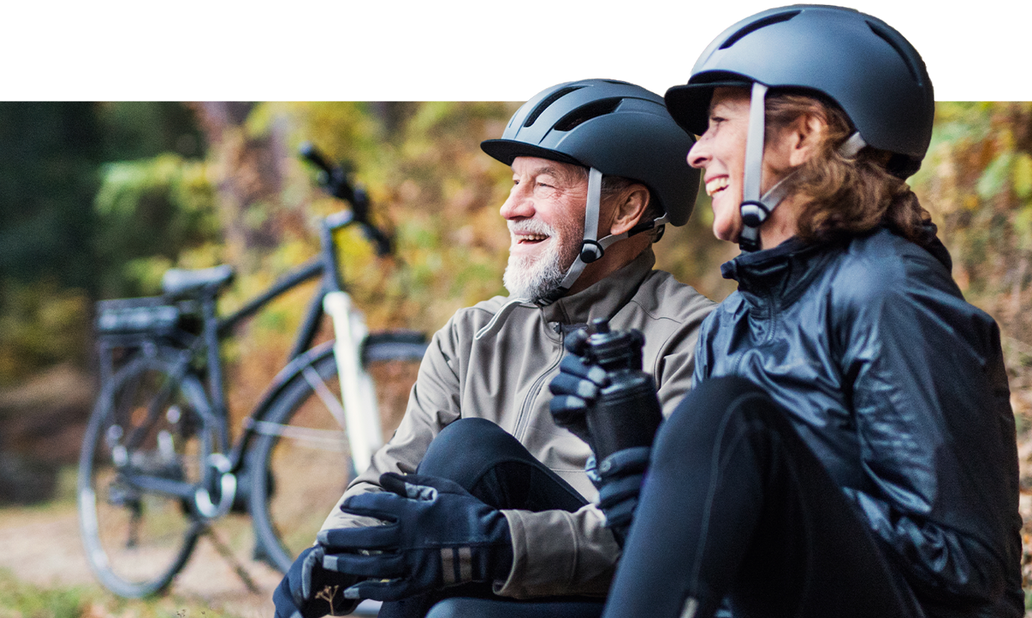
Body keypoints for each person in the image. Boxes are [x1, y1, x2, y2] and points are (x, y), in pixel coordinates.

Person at [552, 5, 1023, 617]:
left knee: (723, 419)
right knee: (475, 466)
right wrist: (628, 447)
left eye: (718, 123)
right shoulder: (731, 324)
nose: (695, 155)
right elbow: (689, 570)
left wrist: (760, 481)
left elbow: (965, 566)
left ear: (803, 135)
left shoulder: (888, 291)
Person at [272, 76, 717, 618]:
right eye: (514, 183)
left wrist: (493, 540)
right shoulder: (471, 334)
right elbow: (395, 472)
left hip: (614, 598)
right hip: (473, 591)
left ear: (625, 211)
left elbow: (669, 535)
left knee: (471, 452)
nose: (511, 208)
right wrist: (332, 554)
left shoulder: (690, 338)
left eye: (544, 185)